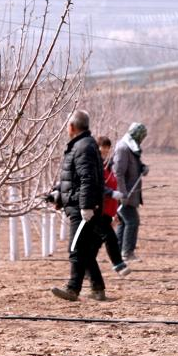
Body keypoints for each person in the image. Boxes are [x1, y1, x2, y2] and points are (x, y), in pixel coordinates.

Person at [48, 110, 107, 301]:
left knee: (77, 248)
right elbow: (74, 179)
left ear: (72, 127)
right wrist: (59, 195)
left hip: (83, 208)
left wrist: (86, 207)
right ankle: (98, 289)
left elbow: (87, 179)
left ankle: (73, 289)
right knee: (85, 250)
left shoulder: (83, 147)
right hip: (77, 204)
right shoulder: (83, 145)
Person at [112, 122, 149, 262]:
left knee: (123, 222)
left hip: (132, 193)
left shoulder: (133, 148)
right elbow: (118, 173)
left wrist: (143, 168)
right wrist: (122, 193)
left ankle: (117, 251)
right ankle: (127, 253)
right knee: (132, 221)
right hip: (124, 194)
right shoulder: (123, 147)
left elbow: (135, 166)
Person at [97, 136, 131, 277]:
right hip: (98, 210)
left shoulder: (108, 166)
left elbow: (112, 185)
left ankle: (85, 267)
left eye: (107, 147)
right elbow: (97, 186)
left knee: (94, 244)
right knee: (110, 237)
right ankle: (119, 265)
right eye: (102, 147)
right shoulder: (96, 166)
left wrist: (115, 210)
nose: (105, 150)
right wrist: (111, 193)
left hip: (108, 211)